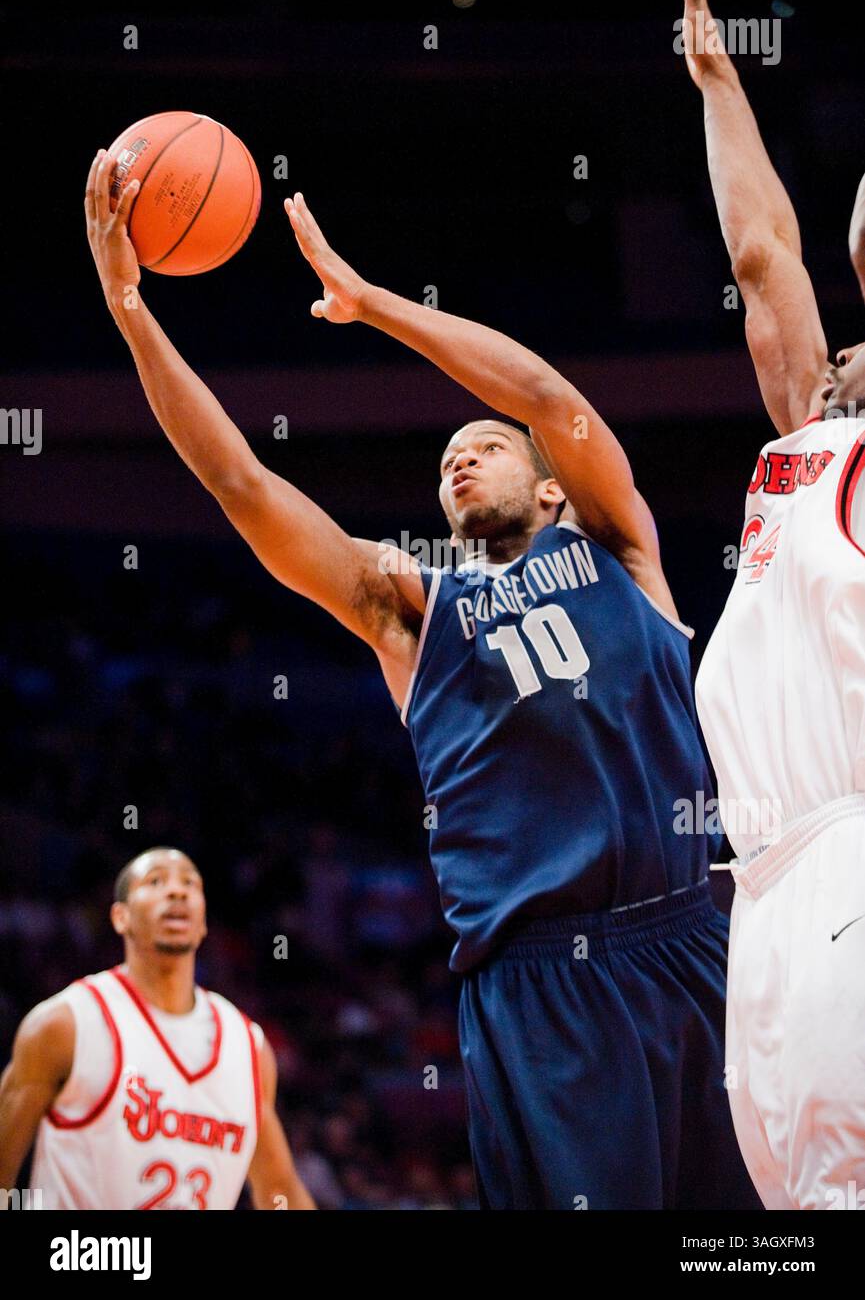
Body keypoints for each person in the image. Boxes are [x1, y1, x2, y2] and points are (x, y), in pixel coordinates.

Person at [80, 150, 759, 1209]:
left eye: (483, 446)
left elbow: (545, 396)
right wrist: (129, 307)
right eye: (445, 462)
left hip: (690, 933)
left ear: (548, 488)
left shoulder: (620, 548)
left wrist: (371, 304)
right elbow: (241, 483)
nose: (459, 461)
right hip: (544, 982)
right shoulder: (410, 609)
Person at [679, 0, 865, 1209]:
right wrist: (715, 80)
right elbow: (760, 256)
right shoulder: (806, 439)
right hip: (767, 884)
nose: (836, 352)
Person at [0, 846, 315, 1210]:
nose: (176, 891)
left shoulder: (248, 1048)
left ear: (203, 922)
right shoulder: (65, 1024)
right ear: (121, 917)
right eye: (155, 882)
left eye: (189, 884)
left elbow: (278, 1189)